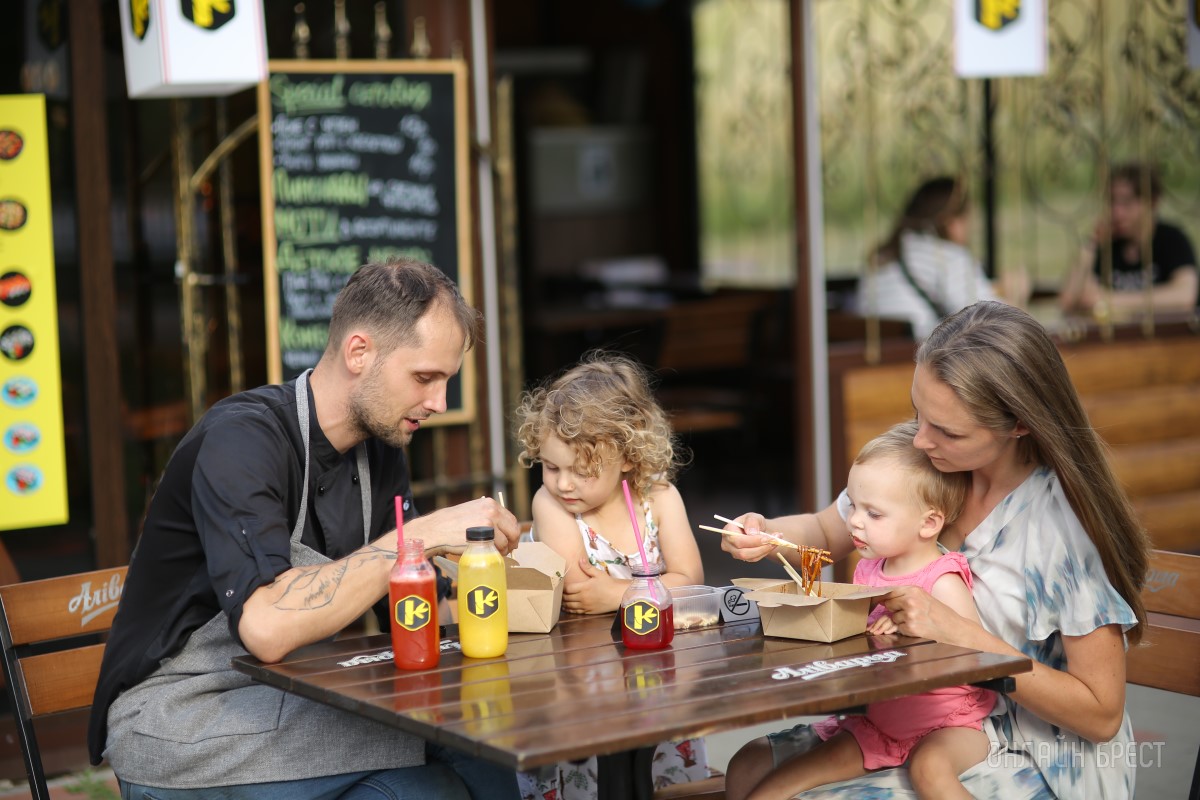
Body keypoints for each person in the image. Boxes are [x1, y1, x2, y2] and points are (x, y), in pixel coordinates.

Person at [87, 258, 523, 799]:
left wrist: (524, 597)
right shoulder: (242, 440)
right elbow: (266, 628)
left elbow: (413, 611)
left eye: (446, 381)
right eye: (424, 377)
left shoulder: (380, 448)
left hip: (292, 695)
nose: (439, 402)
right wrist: (423, 535)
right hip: (184, 716)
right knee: (434, 787)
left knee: (476, 739)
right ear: (359, 352)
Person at [721, 301, 1150, 800]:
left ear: (1019, 423)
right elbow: (825, 529)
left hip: (1027, 746)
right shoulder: (930, 466)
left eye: (947, 430)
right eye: (918, 412)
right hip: (907, 714)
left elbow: (1100, 715)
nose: (921, 440)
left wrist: (962, 635)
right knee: (748, 767)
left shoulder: (1063, 532)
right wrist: (765, 533)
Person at [742, 421, 994, 800]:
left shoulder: (941, 579)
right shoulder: (869, 570)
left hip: (947, 723)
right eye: (854, 506)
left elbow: (977, 656)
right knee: (773, 789)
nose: (854, 521)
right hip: (875, 726)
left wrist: (916, 629)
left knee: (930, 772)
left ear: (928, 523)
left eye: (873, 514)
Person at [512, 352, 708, 797]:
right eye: (551, 467)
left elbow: (692, 581)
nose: (563, 483)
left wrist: (617, 594)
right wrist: (647, 590)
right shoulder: (551, 504)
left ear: (627, 457)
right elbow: (579, 592)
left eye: (581, 471)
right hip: (580, 684)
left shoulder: (658, 498)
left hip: (656, 676)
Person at [856, 176, 1028, 339]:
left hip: (880, 355)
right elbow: (992, 324)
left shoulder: (881, 256)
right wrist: (1015, 296)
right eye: (968, 219)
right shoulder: (947, 257)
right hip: (919, 354)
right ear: (951, 222)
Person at [1058, 162, 1198, 316]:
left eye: (1126, 202)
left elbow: (1184, 296)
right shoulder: (1106, 244)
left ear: (1152, 202)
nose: (1116, 212)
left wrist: (1110, 300)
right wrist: (1090, 245)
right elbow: (1068, 301)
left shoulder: (1172, 239)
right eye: (1112, 201)